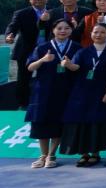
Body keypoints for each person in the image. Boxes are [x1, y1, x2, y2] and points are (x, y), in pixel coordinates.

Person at [24, 19, 80, 168]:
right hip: (43, 91)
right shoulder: (42, 47)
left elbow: (80, 68)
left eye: (66, 28)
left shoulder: (76, 47)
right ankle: (42, 155)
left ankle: (52, 155)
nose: (63, 31)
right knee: (41, 122)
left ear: (71, 30)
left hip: (65, 91)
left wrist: (69, 65)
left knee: (58, 123)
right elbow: (30, 67)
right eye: (59, 28)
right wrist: (43, 60)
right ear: (53, 30)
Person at [60, 22, 106, 165]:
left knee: (98, 122)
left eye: (102, 32)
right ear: (91, 34)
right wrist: (68, 65)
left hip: (101, 92)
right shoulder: (82, 52)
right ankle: (84, 153)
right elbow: (75, 67)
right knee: (82, 122)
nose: (98, 35)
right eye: (95, 32)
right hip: (82, 92)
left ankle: (95, 153)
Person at [5, 0, 51, 108]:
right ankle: (23, 104)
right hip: (26, 50)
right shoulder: (21, 13)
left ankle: (45, 103)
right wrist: (10, 35)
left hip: (48, 50)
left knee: (48, 77)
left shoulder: (53, 13)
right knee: (23, 78)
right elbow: (13, 26)